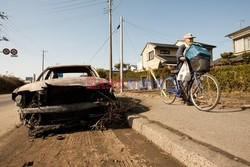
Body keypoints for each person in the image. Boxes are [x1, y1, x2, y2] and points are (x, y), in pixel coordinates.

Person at [176, 33, 195, 105]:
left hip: (191, 67)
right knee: (185, 83)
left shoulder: (193, 47)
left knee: (192, 82)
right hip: (182, 67)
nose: (191, 40)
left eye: (192, 38)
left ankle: (191, 97)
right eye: (189, 39)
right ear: (185, 40)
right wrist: (181, 57)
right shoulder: (182, 46)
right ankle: (185, 99)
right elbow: (178, 54)